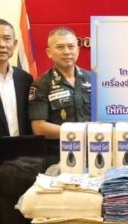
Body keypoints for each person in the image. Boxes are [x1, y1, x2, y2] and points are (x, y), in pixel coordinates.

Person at [30, 27, 92, 164]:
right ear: (49, 52)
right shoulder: (41, 84)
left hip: (95, 152)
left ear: (78, 49)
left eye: (71, 46)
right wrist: (79, 131)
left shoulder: (93, 79)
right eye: (60, 47)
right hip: (60, 158)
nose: (67, 52)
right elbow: (39, 128)